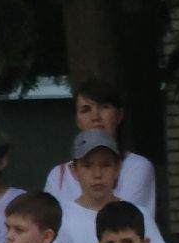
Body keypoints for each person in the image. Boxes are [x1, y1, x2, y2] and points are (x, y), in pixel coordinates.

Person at [48, 129, 166, 243]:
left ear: (118, 168)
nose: (97, 174)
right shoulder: (61, 218)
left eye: (105, 165)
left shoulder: (139, 215)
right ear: (74, 170)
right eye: (87, 165)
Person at [43, 78, 157, 213]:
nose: (95, 116)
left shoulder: (137, 167)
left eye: (104, 107)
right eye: (86, 110)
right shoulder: (58, 176)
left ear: (119, 115)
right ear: (77, 120)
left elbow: (125, 220)